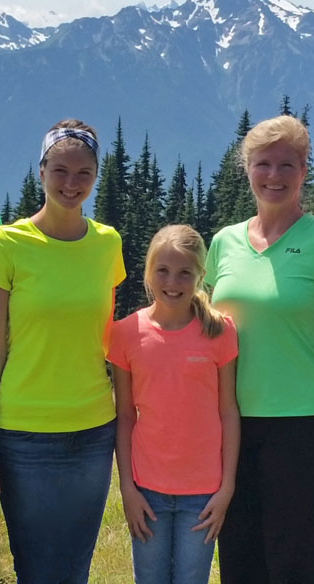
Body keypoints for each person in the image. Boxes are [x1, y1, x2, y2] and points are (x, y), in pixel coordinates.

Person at [205, 114, 314, 583]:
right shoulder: (224, 243)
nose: (273, 176)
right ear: (247, 168)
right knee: (239, 561)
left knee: (295, 565)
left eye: (287, 165)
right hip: (232, 424)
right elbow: (204, 333)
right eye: (263, 164)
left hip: (303, 425)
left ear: (303, 170)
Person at [0, 120, 125, 583]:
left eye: (83, 173)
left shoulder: (108, 243)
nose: (71, 184)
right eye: (60, 171)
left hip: (94, 430)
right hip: (25, 435)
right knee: (35, 570)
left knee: (75, 569)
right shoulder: (7, 244)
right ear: (41, 172)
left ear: (96, 176)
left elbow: (107, 337)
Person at [109, 224, 240, 584]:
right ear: (148, 272)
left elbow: (228, 411)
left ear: (201, 275)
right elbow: (125, 416)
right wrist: (127, 489)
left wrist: (226, 487)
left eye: (185, 273)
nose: (172, 282)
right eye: (163, 271)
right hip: (147, 490)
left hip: (204, 492)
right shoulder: (126, 333)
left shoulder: (220, 331)